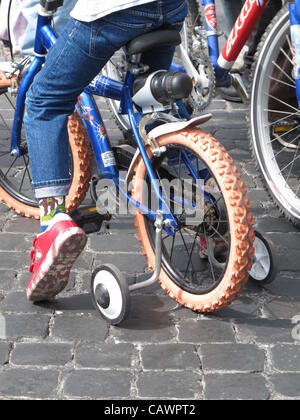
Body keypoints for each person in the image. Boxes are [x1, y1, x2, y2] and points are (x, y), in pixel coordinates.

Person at [24, 0, 188, 302]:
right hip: (172, 7)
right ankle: (206, 203)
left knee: (44, 101)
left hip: (116, 9)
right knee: (150, 102)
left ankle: (53, 224)